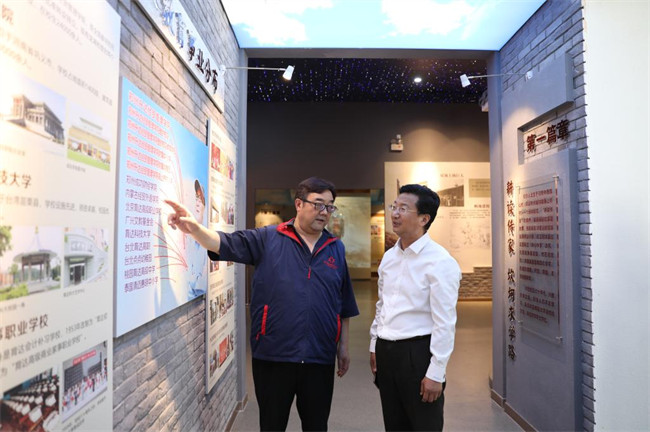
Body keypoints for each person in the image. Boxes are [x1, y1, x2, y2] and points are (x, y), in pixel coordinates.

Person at [165, 177, 359, 431]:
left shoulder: (335, 248)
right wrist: (195, 229)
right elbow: (224, 243)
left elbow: (343, 301)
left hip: (319, 356)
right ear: (299, 204)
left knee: (316, 425)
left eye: (329, 206)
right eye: (318, 204)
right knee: (271, 424)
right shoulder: (268, 238)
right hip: (273, 354)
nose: (324, 212)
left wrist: (342, 346)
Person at [369, 184, 461, 432]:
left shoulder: (440, 261)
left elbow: (445, 322)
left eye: (403, 208)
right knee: (394, 423)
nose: (395, 213)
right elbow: (382, 305)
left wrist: (436, 372)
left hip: (417, 354)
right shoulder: (390, 257)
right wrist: (374, 344)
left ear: (423, 218)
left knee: (424, 425)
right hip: (387, 352)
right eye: (394, 207)